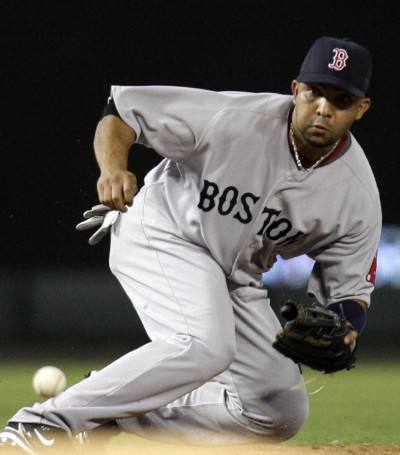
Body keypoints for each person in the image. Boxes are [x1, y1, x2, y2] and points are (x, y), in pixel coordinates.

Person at [0, 36, 381, 453]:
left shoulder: (356, 197)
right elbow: (122, 111)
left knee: (277, 412)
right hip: (162, 232)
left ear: (360, 109)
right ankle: (42, 425)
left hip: (234, 277)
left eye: (341, 99)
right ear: (295, 91)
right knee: (204, 346)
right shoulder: (233, 117)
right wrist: (113, 169)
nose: (324, 107)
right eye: (315, 92)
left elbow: (348, 293)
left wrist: (344, 331)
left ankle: (108, 408)